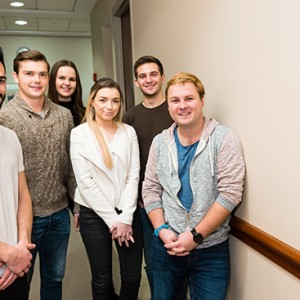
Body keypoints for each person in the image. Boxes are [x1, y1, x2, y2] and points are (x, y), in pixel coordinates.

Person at [142, 72, 246, 300]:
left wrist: (196, 236)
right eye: (175, 100)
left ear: (202, 101)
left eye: (189, 98)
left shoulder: (224, 139)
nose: (182, 106)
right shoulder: (160, 142)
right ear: (168, 106)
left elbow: (230, 194)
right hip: (166, 246)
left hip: (211, 250)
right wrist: (161, 230)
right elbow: (150, 189)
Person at [0, 49, 76, 300]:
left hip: (59, 215)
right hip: (25, 221)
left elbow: (70, 164)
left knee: (54, 279)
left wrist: (75, 207)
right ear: (15, 76)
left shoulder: (64, 116)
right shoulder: (5, 118)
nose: (37, 80)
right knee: (21, 282)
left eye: (42, 74)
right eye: (29, 73)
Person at [70, 77, 143, 300]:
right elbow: (86, 183)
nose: (109, 106)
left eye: (115, 101)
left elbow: (133, 176)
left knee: (132, 277)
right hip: (93, 212)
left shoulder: (128, 132)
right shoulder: (80, 134)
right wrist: (114, 221)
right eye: (102, 100)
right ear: (92, 101)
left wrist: (126, 218)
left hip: (127, 212)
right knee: (102, 278)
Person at [123, 55, 173, 296]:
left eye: (153, 74)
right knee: (154, 265)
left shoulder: (175, 109)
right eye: (143, 76)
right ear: (136, 82)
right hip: (145, 206)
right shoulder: (129, 118)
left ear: (163, 77)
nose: (149, 80)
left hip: (178, 203)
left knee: (179, 263)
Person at [0, 46, 35, 300]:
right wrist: (6, 254)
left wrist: (21, 245)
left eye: (0, 81)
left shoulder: (10, 137)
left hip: (16, 268)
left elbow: (23, 195)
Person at [48, 59, 85, 126]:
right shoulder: (44, 113)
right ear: (53, 80)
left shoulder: (86, 113)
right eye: (62, 78)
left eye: (72, 79)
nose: (67, 83)